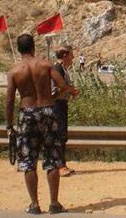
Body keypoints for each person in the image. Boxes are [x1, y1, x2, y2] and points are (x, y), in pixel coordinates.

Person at [5, 34, 78, 215]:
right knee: (53, 158)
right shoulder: (45, 65)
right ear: (33, 48)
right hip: (47, 111)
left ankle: (34, 204)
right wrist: (52, 98)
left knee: (28, 161)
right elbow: (63, 85)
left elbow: (8, 101)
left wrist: (8, 125)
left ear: (19, 49)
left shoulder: (14, 71)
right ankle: (54, 203)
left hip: (26, 113)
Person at [52, 46, 76, 177]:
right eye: (71, 55)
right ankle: (59, 166)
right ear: (65, 55)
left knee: (62, 135)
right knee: (59, 135)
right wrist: (69, 90)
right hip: (57, 105)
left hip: (61, 104)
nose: (73, 58)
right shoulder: (57, 69)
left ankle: (62, 164)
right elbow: (55, 90)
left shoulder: (62, 69)